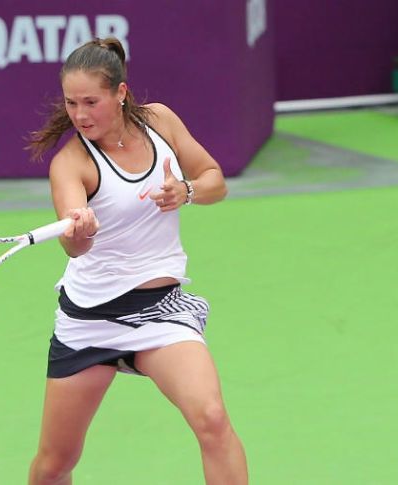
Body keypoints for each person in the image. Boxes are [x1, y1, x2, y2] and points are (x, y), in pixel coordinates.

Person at [25, 37, 248, 485]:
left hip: (161, 311)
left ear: (121, 93)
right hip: (90, 321)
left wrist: (185, 191)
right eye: (71, 103)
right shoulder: (71, 164)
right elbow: (73, 248)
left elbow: (215, 181)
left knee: (211, 418)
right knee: (54, 465)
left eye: (91, 102)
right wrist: (81, 231)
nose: (80, 114)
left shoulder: (160, 121)